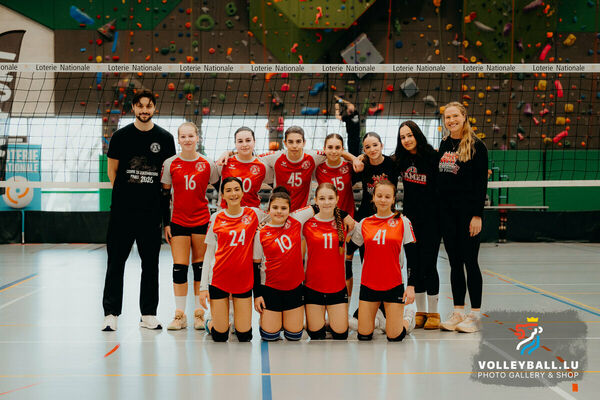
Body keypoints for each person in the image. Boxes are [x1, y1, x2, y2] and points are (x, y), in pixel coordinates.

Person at [102, 89, 176, 331]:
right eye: (140, 106)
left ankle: (148, 314)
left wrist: (165, 217)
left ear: (154, 108)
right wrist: (126, 196)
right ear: (133, 108)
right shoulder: (120, 136)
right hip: (122, 212)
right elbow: (112, 171)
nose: (145, 110)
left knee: (151, 265)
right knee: (115, 263)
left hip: (151, 213)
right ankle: (111, 313)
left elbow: (167, 179)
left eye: (149, 106)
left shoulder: (165, 138)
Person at [161, 122, 220, 331]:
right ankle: (180, 314)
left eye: (191, 136)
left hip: (202, 220)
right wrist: (166, 223)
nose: (187, 140)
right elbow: (164, 195)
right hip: (178, 221)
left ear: (197, 138)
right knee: (179, 268)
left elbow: (221, 189)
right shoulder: (170, 163)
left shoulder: (208, 163)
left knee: (200, 267)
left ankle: (198, 313)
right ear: (178, 139)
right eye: (183, 136)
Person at [438, 102, 488, 333]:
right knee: (455, 263)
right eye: (448, 117)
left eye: (455, 116)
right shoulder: (444, 144)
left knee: (470, 261)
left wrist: (477, 215)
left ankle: (475, 315)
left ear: (464, 116)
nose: (451, 120)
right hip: (447, 214)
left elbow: (481, 183)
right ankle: (458, 312)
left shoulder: (478, 146)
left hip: (468, 214)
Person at [198, 177, 265, 342]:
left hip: (243, 280)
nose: (233, 193)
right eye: (228, 190)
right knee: (220, 336)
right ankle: (210, 321)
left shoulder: (254, 214)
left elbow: (277, 217)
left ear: (242, 193)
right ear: (223, 195)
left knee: (244, 336)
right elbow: (209, 254)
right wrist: (203, 287)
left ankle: (231, 318)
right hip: (218, 279)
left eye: (236, 189)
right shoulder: (216, 217)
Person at [350, 180, 417, 341]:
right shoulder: (364, 223)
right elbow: (348, 250)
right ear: (373, 197)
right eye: (379, 196)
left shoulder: (403, 222)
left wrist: (411, 286)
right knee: (364, 336)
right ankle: (380, 317)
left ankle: (407, 318)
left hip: (393, 285)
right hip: (369, 284)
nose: (383, 200)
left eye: (387, 197)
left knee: (395, 336)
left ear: (393, 199)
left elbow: (413, 256)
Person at [393, 121, 442, 330]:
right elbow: (379, 162)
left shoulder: (432, 156)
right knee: (415, 265)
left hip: (432, 219)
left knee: (429, 264)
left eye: (409, 135)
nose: (406, 140)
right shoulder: (401, 159)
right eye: (402, 137)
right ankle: (421, 312)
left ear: (417, 135)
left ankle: (434, 312)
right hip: (410, 220)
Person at [252, 187, 316, 341]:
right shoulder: (261, 233)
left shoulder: (296, 220)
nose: (279, 211)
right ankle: (272, 320)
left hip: (294, 287)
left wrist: (344, 216)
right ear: (269, 209)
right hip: (270, 288)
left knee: (294, 336)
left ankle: (285, 320)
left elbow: (320, 205)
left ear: (289, 210)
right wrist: (257, 295)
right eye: (275, 207)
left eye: (283, 208)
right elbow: (255, 265)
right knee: (270, 336)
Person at [259, 126, 357, 212]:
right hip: (280, 209)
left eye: (298, 141)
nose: (294, 145)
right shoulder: (275, 157)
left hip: (303, 213)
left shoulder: (312, 157)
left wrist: (354, 159)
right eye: (290, 142)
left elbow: (335, 152)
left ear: (304, 143)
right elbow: (254, 159)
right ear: (285, 143)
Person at [303, 183, 352, 340]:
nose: (326, 202)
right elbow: (291, 217)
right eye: (322, 198)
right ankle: (316, 321)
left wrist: (343, 214)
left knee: (341, 335)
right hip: (313, 287)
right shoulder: (307, 223)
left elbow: (364, 234)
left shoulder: (345, 223)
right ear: (316, 200)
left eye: (331, 198)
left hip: (337, 288)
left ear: (337, 199)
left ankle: (336, 320)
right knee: (316, 335)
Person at [314, 134, 355, 296]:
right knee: (326, 264)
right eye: (330, 147)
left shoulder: (349, 166)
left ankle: (346, 304)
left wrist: (350, 157)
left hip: (348, 221)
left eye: (337, 147)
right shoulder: (318, 168)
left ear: (342, 149)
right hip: (326, 222)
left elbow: (361, 161)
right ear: (324, 149)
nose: (333, 151)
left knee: (347, 266)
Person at [218, 127, 272, 208]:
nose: (244, 144)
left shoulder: (262, 166)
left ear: (254, 142)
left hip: (251, 212)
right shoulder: (224, 162)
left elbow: (275, 184)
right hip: (226, 211)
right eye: (240, 141)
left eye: (248, 140)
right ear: (235, 143)